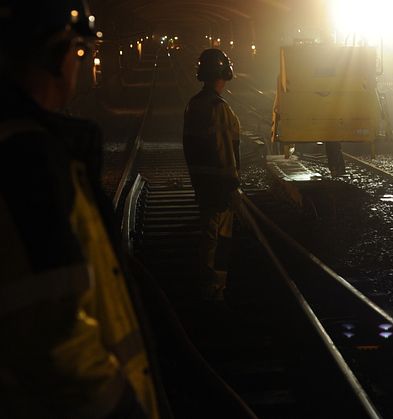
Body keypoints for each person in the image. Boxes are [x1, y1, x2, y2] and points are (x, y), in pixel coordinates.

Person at [0, 0, 164, 417]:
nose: (80, 65)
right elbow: (54, 333)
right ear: (55, 55)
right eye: (78, 53)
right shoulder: (27, 162)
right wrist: (121, 408)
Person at [182, 48, 241, 300]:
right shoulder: (218, 107)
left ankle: (207, 285)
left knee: (207, 236)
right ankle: (215, 289)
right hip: (220, 185)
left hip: (202, 181)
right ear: (223, 74)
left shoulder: (193, 104)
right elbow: (224, 149)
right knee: (220, 239)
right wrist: (233, 185)